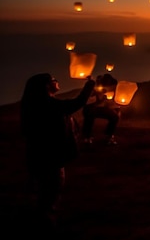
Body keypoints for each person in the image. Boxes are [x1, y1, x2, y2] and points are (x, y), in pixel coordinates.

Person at [19, 73, 95, 232]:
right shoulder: (46, 104)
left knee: (43, 191)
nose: (57, 81)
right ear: (46, 86)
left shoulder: (36, 103)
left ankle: (41, 220)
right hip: (50, 157)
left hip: (39, 155)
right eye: (54, 80)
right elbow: (74, 104)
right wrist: (89, 85)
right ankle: (45, 225)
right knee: (51, 192)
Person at [81, 73, 120, 145]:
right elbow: (88, 101)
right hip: (89, 108)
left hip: (98, 108)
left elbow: (106, 103)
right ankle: (86, 137)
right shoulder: (93, 87)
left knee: (114, 116)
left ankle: (108, 136)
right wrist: (98, 95)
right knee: (89, 115)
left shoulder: (105, 91)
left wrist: (116, 108)